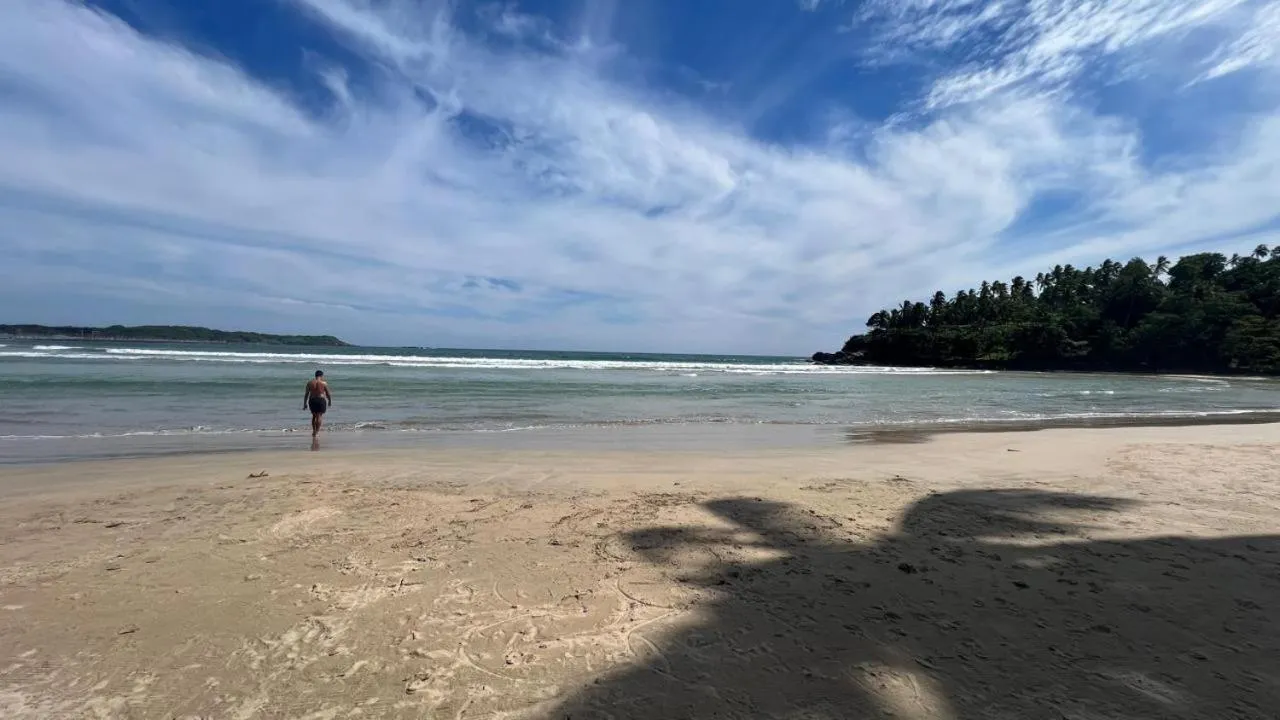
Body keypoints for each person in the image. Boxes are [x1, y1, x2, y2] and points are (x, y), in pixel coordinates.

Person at [303, 370, 332, 437]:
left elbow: (306, 394)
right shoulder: (324, 383)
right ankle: (317, 432)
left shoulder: (309, 383)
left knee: (314, 416)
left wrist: (305, 404)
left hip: (312, 400)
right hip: (321, 400)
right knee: (319, 416)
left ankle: (314, 431)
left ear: (315, 375)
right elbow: (328, 394)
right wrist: (330, 401)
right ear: (321, 376)